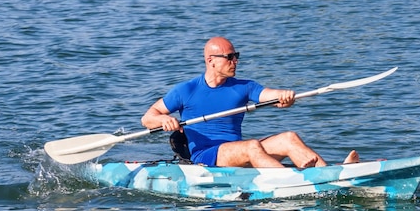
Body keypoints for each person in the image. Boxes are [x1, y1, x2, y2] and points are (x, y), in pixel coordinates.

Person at [141, 37, 359, 168]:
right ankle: (293, 181)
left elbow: (270, 95)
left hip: (238, 150)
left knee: (288, 138)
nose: (235, 61)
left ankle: (333, 174)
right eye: (229, 57)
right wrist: (164, 120)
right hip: (206, 155)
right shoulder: (185, 90)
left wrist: (283, 97)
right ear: (211, 61)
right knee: (252, 146)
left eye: (236, 56)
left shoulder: (244, 86)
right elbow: (148, 118)